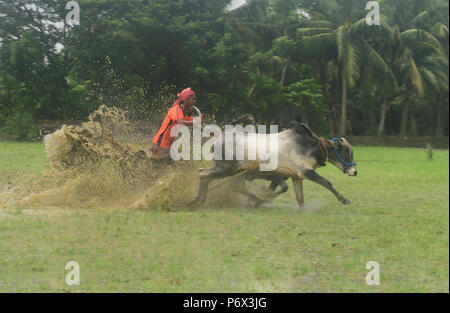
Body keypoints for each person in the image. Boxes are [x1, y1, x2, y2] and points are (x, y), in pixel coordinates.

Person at [151, 87, 202, 160]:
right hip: (160, 143)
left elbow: (198, 125)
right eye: (193, 99)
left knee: (181, 158)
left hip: (168, 145)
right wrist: (196, 121)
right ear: (186, 100)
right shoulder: (176, 110)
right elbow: (180, 122)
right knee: (163, 165)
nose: (195, 101)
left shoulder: (187, 114)